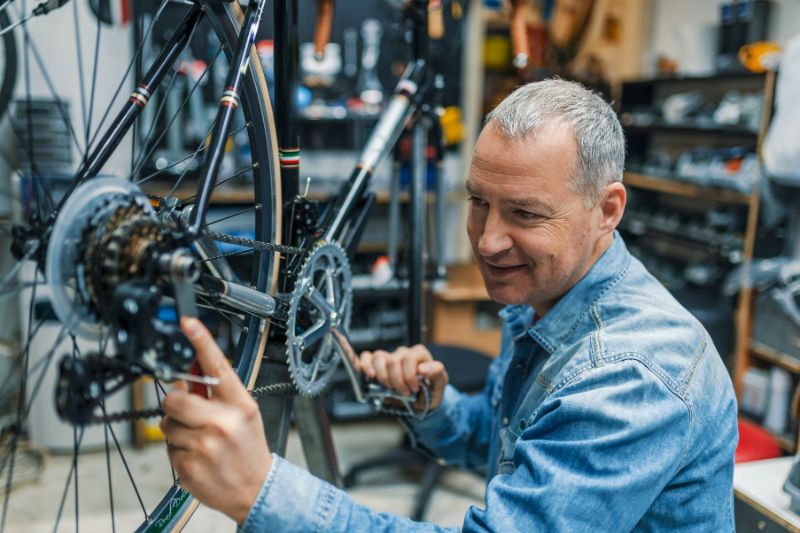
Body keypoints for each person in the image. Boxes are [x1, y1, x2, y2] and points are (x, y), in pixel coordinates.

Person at [161, 79, 738, 532]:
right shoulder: (551, 297)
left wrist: (260, 489)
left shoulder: (630, 376)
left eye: (526, 214)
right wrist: (437, 409)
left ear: (608, 209)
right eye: (478, 202)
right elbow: (517, 442)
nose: (487, 241)